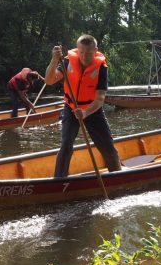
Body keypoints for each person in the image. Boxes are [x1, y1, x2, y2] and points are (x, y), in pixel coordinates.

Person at [44, 35, 122, 178]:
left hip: (92, 109)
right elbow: (49, 80)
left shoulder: (101, 67)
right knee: (66, 143)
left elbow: (100, 99)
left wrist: (85, 113)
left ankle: (117, 175)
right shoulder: (67, 61)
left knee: (107, 145)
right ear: (77, 50)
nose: (85, 56)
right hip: (70, 107)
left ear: (96, 50)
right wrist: (54, 60)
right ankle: (59, 179)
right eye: (82, 52)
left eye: (89, 53)